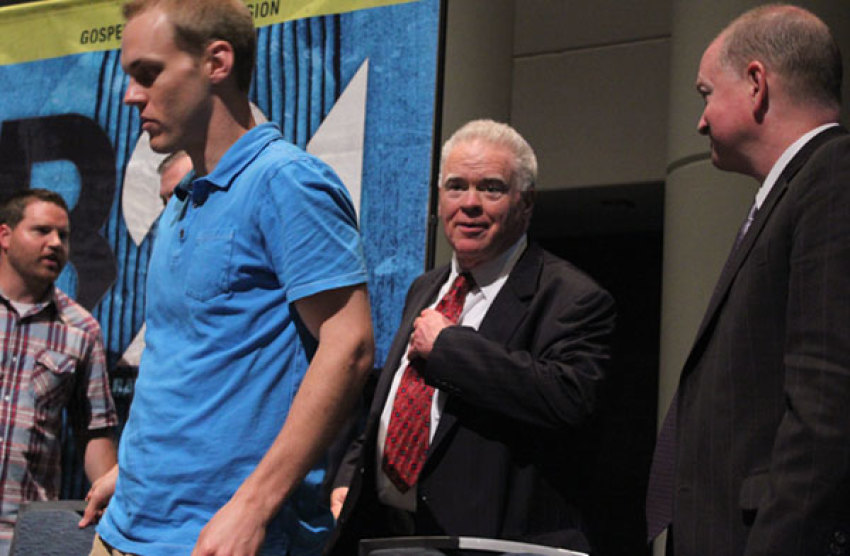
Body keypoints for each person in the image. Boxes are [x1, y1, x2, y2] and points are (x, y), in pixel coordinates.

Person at [81, 0, 375, 555]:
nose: (130, 95)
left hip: (220, 538)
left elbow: (351, 346)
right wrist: (139, 471)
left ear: (217, 62)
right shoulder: (183, 201)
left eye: (148, 74)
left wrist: (254, 504)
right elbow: (190, 360)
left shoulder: (287, 182)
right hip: (128, 525)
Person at [326, 119, 615, 555]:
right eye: (456, 187)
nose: (470, 204)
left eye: (492, 188)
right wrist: (352, 476)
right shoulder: (425, 288)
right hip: (392, 537)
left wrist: (449, 349)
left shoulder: (572, 297)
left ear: (526, 203)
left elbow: (567, 398)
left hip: (495, 544)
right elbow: (393, 400)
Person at [646, 5, 850, 556]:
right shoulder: (800, 191)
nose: (701, 120)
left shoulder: (833, 178)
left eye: (706, 93)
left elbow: (827, 404)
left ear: (757, 83)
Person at [0, 188, 117, 555]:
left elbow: (95, 430)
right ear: (5, 235)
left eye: (63, 236)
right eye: (41, 231)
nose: (54, 243)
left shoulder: (81, 330)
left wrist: (113, 519)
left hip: (20, 537)